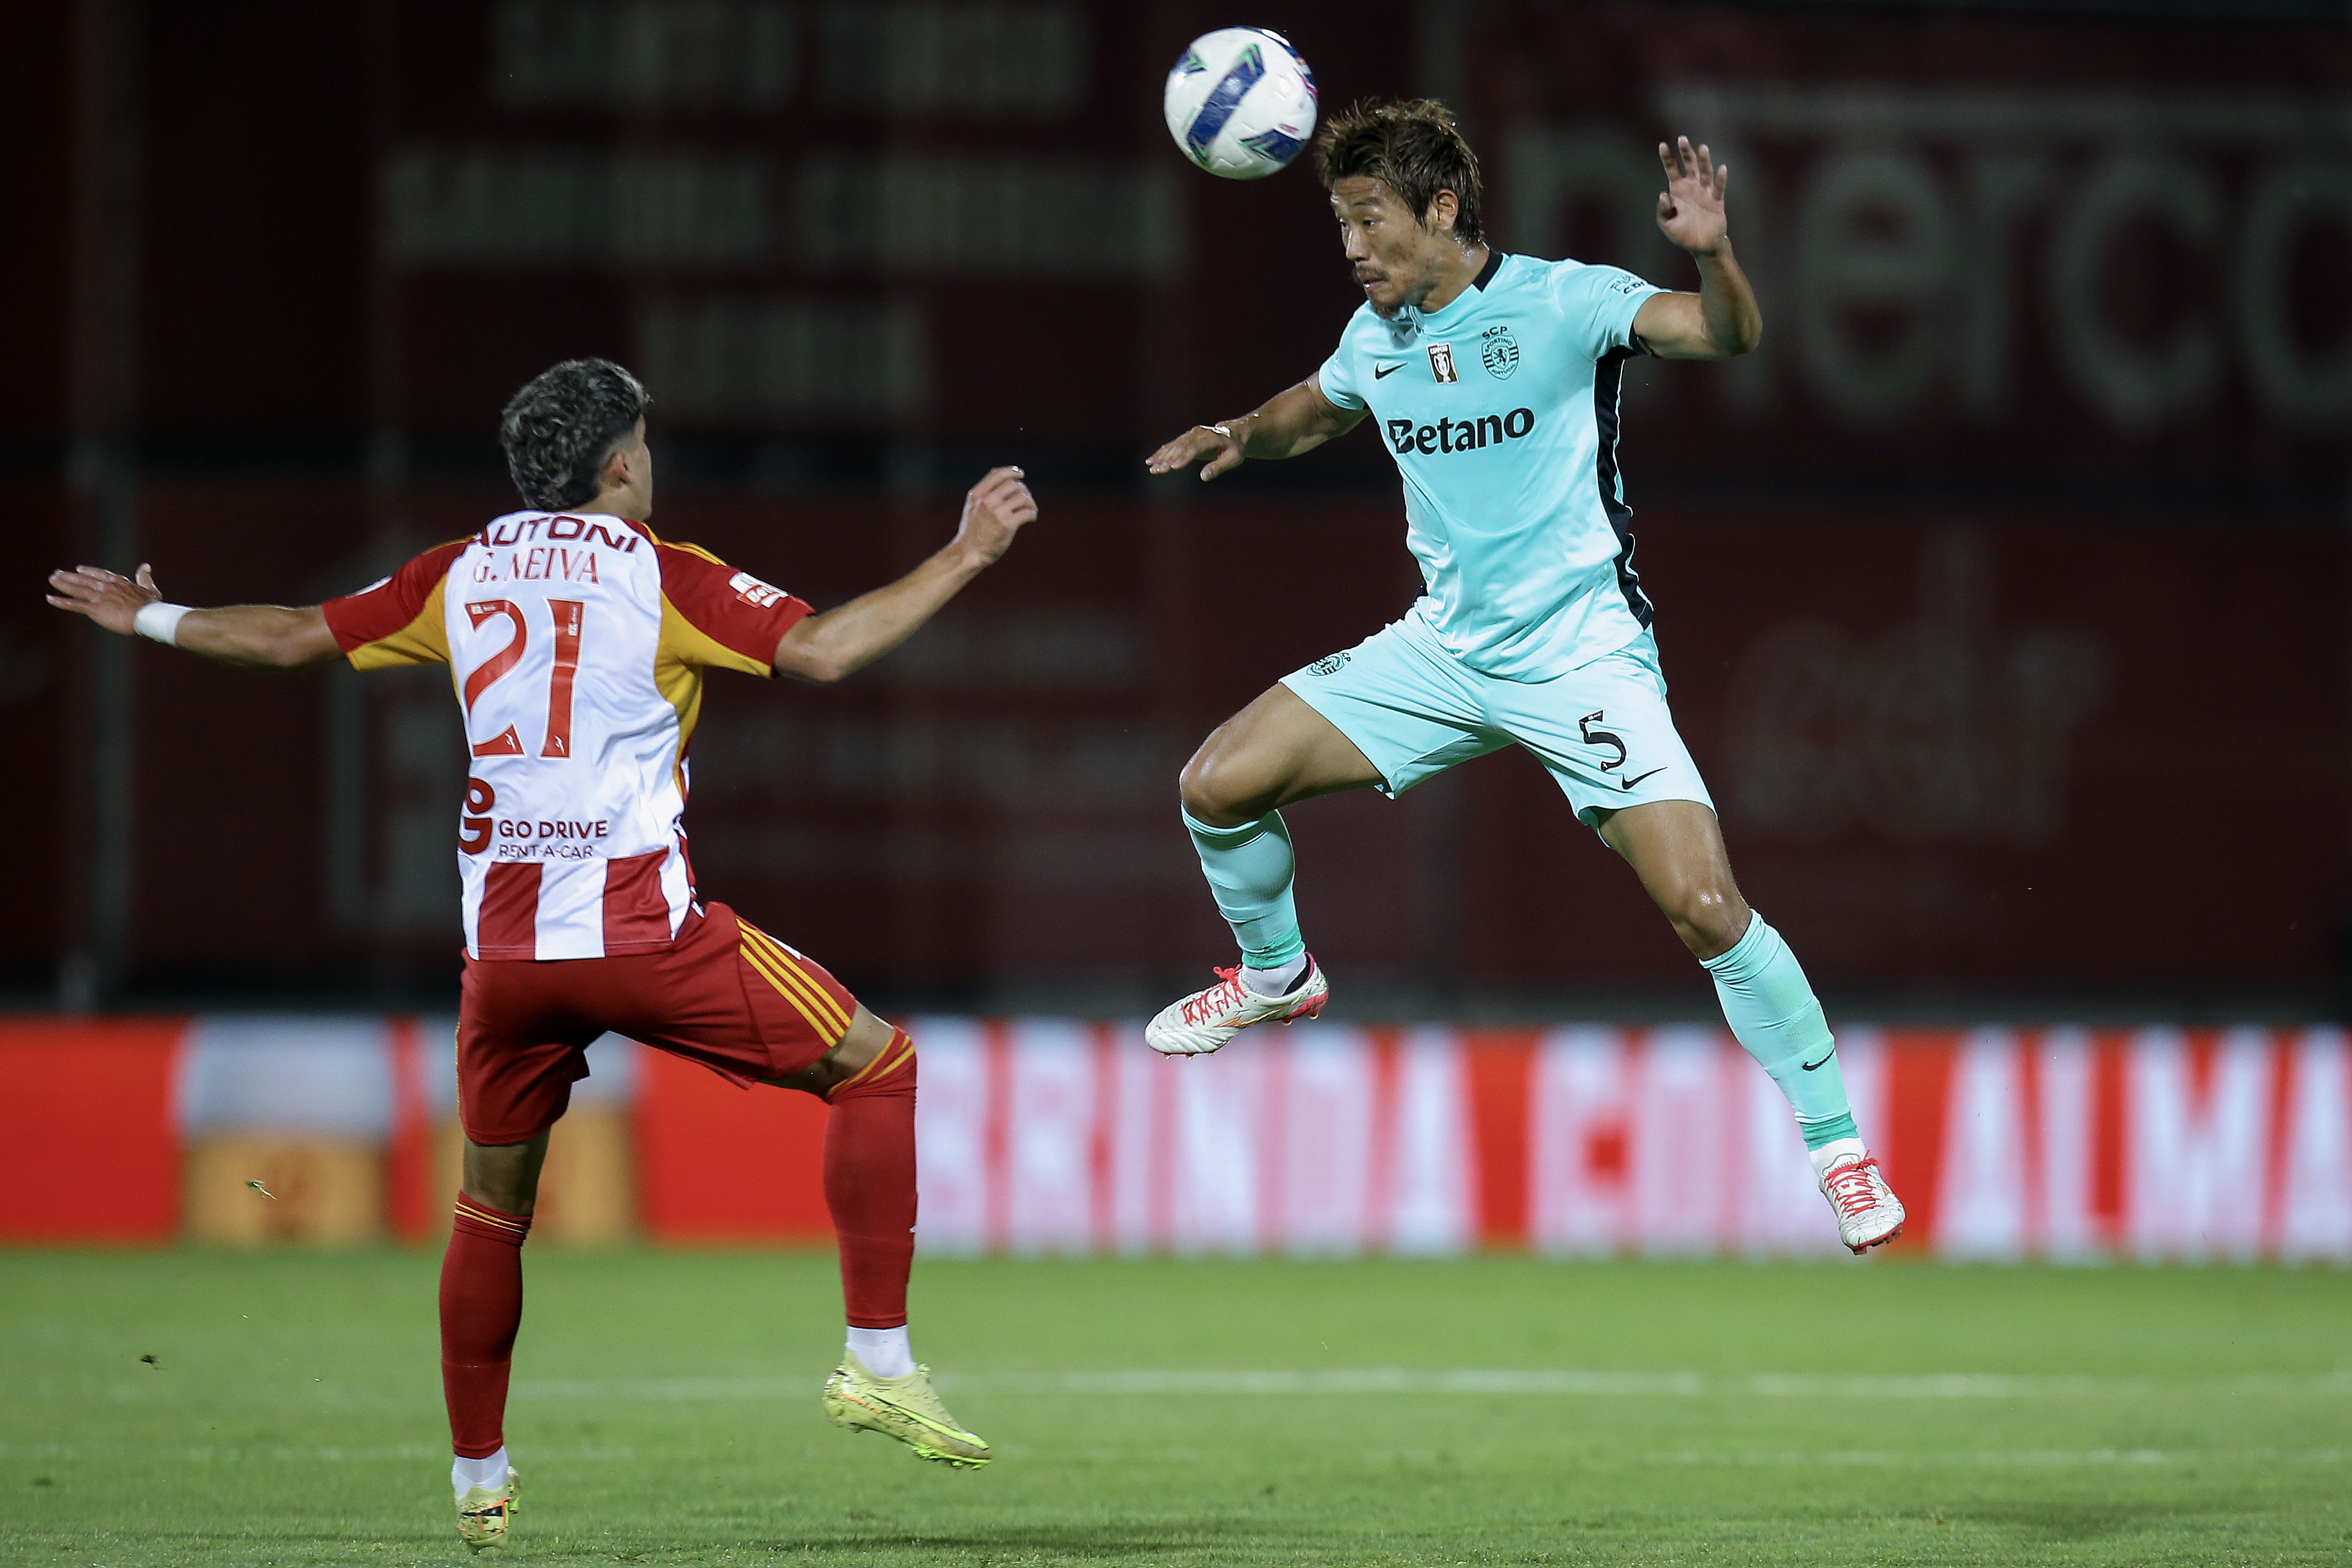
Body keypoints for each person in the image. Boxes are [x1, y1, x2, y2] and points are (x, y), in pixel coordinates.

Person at [46, 359, 1031, 1549]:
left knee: (489, 1213)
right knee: (875, 1067)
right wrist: (967, 556)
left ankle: (479, 1480)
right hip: (638, 931)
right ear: (621, 463)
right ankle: (876, 1359)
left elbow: (290, 639)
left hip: (504, 959)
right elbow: (823, 652)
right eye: (648, 444)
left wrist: (142, 613)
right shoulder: (663, 574)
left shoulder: (457, 572)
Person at [1142, 100, 1905, 1255]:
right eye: (1339, 224)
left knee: (1702, 907)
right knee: (1215, 782)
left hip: (1580, 656)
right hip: (1442, 650)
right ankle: (1275, 975)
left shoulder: (1564, 302)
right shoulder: (1374, 334)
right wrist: (1246, 431)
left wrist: (1713, 256)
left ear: (1439, 211)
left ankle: (1838, 1147)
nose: (1350, 249)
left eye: (1367, 220)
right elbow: (1322, 403)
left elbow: (1723, 337)